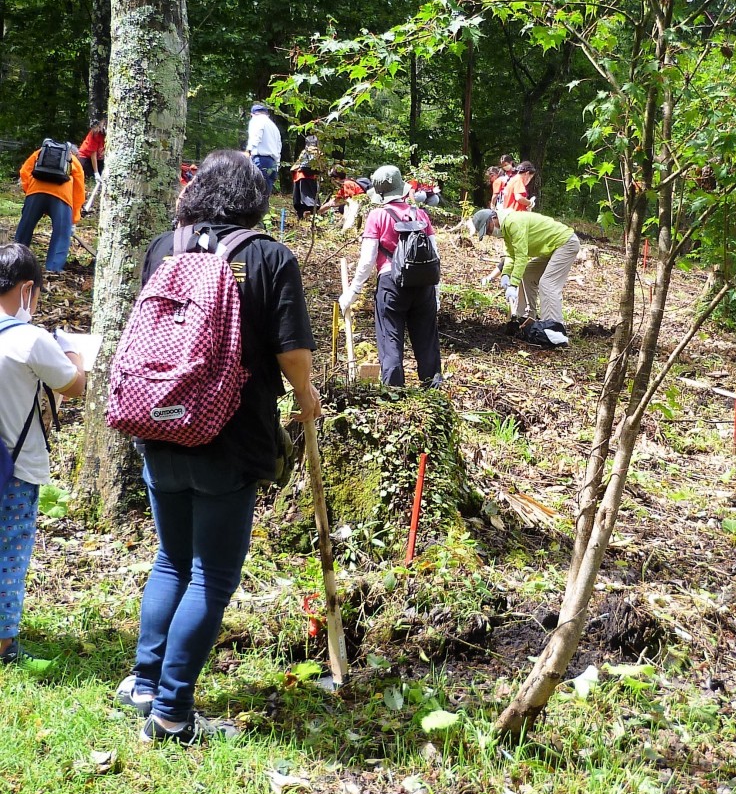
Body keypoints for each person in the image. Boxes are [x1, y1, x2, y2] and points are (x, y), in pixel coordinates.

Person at [116, 150, 320, 745]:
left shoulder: (165, 248)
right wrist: (305, 395)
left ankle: (144, 683)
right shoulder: (268, 256)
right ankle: (173, 714)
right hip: (228, 435)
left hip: (156, 422)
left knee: (171, 559)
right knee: (210, 575)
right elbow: (291, 353)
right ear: (254, 198)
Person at [0, 244, 86, 664]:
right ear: (28, 289)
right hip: (14, 468)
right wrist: (74, 353)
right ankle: (3, 645)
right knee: (9, 552)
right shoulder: (30, 340)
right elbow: (74, 385)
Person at [338, 164, 442, 387]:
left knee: (390, 339)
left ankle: (394, 395)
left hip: (391, 285)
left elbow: (367, 260)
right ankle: (433, 391)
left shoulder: (377, 216)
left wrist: (353, 292)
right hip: (424, 285)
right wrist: (436, 293)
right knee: (427, 342)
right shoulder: (421, 214)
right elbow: (435, 256)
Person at [471, 206, 580, 330]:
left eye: (488, 229)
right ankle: (525, 317)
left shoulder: (513, 222)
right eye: (487, 233)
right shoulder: (506, 229)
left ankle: (553, 328)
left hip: (566, 243)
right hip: (553, 248)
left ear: (493, 218)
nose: (490, 234)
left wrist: (513, 285)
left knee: (547, 283)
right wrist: (506, 274)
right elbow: (511, 256)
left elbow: (521, 256)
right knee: (528, 273)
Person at [14, 143, 85, 274]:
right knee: (61, 234)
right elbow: (79, 191)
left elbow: (24, 171)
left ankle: (16, 261)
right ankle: (53, 268)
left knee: (25, 227)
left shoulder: (40, 152)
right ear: (74, 153)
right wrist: (73, 219)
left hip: (35, 192)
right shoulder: (73, 160)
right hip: (62, 197)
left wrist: (29, 191)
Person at [245, 103, 282, 195]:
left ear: (253, 114)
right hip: (272, 163)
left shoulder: (256, 120)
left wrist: (248, 151)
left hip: (261, 160)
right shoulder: (273, 126)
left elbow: (256, 136)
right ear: (267, 114)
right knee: (266, 191)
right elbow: (279, 146)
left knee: (257, 191)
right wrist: (277, 165)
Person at [291, 134, 321, 219]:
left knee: (299, 199)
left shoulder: (305, 151)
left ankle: (302, 216)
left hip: (299, 175)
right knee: (310, 199)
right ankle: (311, 216)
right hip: (311, 177)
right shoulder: (318, 152)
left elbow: (298, 164)